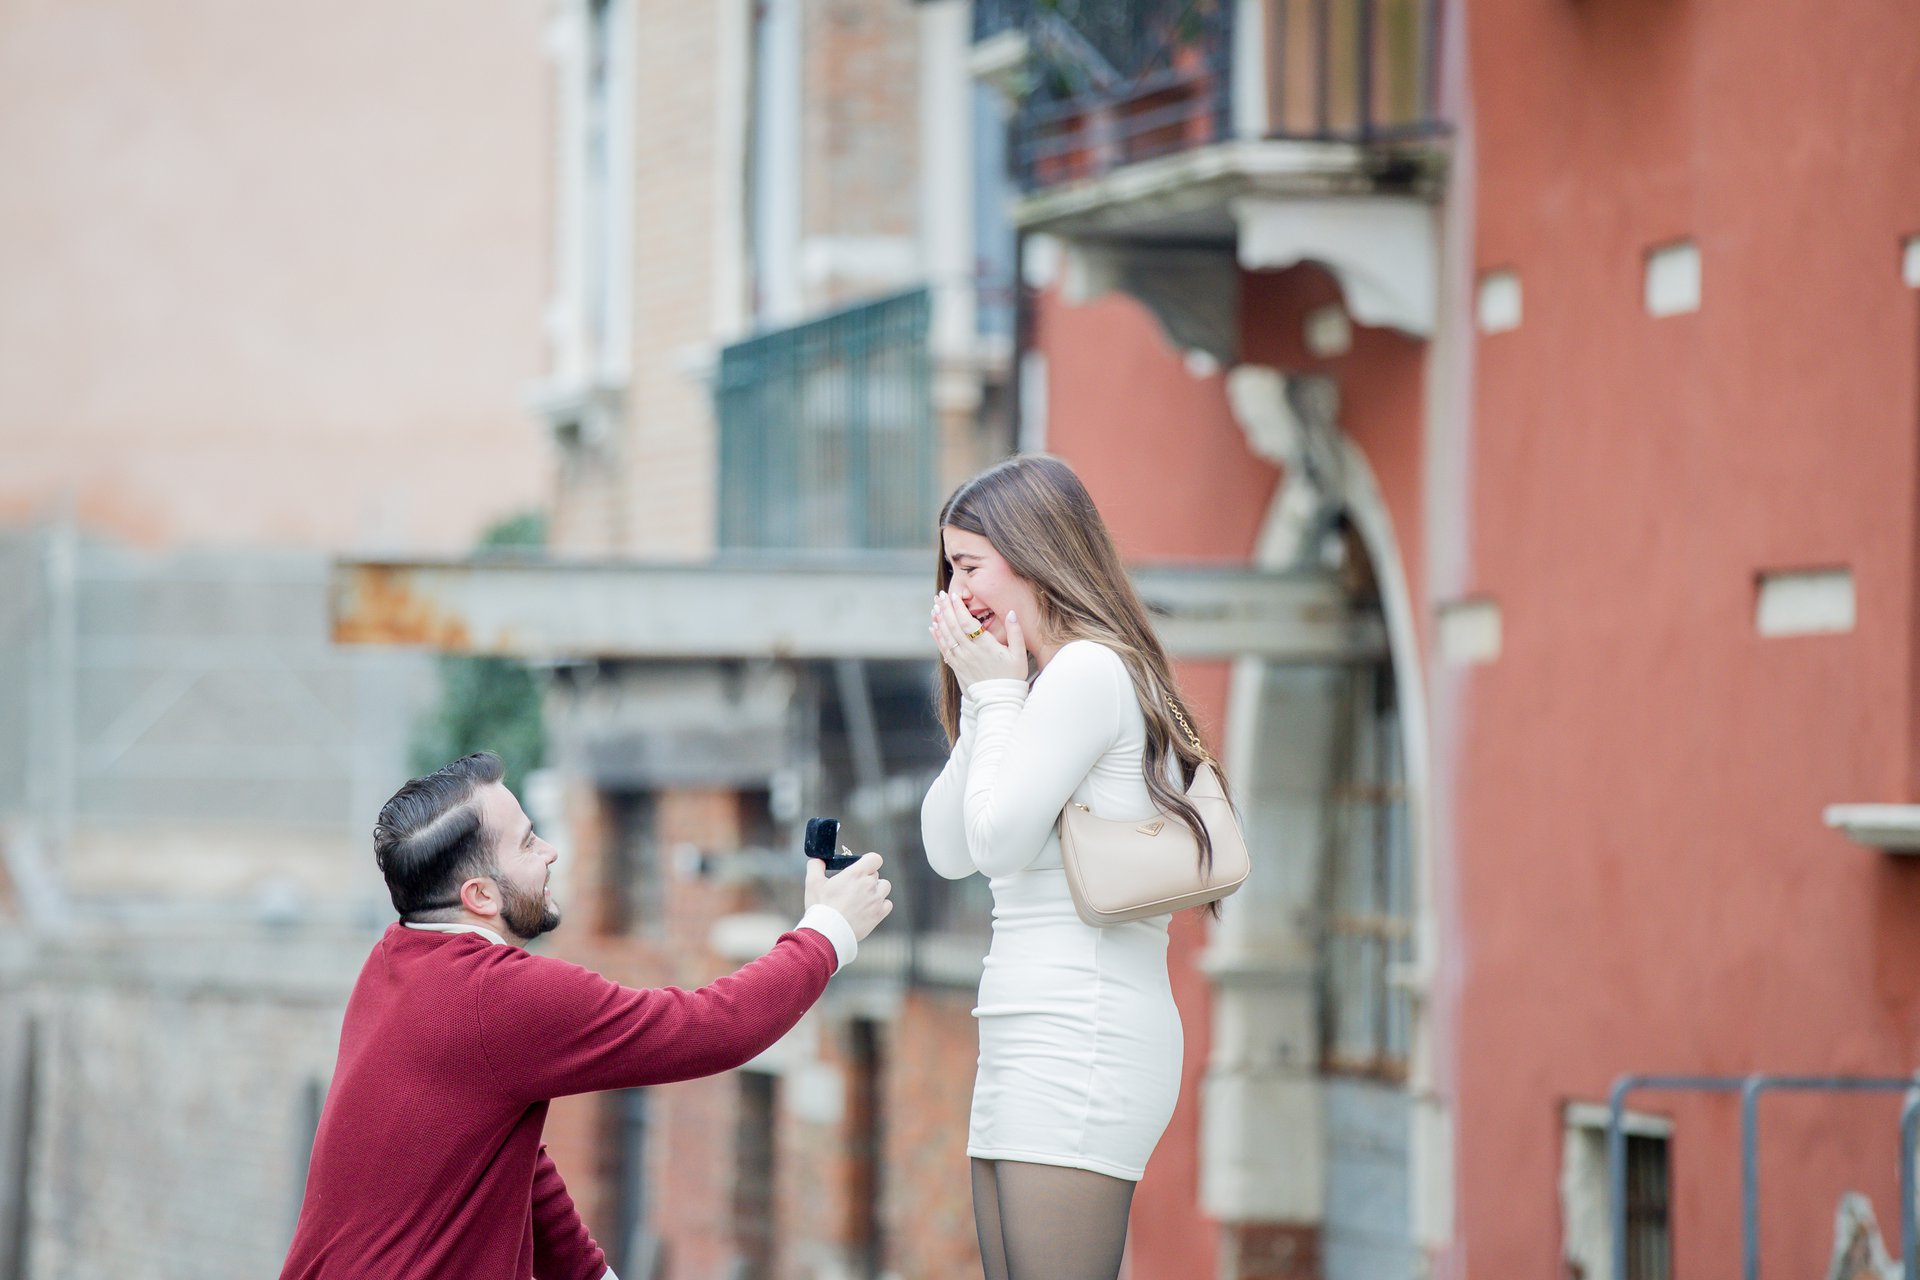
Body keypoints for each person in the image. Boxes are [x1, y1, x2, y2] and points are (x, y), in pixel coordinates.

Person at [280, 751, 893, 1280]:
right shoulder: (497, 997)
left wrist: (586, 1270)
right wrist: (828, 932)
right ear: (481, 896)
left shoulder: (395, 961)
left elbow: (500, 1148)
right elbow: (708, 1030)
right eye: (526, 842)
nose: (549, 851)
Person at [919, 454, 1226, 1280]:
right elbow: (948, 849)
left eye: (969, 566)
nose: (956, 593)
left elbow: (997, 844)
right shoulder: (1034, 685)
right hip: (1025, 1026)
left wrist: (994, 697)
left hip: (1080, 1031)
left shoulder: (1089, 672)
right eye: (949, 570)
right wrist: (989, 696)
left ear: (1034, 554)